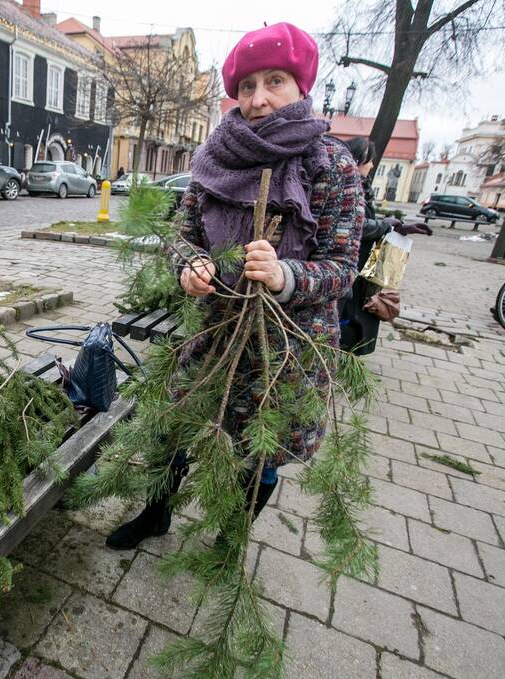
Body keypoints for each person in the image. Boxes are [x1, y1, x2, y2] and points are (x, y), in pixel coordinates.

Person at [106, 22, 364, 550]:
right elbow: (182, 235)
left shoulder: (328, 163)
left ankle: (231, 537)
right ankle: (156, 514)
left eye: (275, 81)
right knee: (173, 424)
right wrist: (191, 265)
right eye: (247, 85)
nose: (259, 98)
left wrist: (287, 275)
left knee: (262, 447)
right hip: (214, 331)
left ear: (301, 88)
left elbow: (343, 266)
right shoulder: (215, 158)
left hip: (287, 349)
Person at [338, 137, 430, 355]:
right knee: (350, 308)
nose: (371, 166)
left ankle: (351, 351)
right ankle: (341, 350)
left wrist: (398, 227)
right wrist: (385, 225)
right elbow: (353, 222)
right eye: (369, 161)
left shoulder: (362, 187)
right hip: (351, 257)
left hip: (366, 257)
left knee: (365, 303)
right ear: (357, 160)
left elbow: (366, 220)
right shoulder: (345, 186)